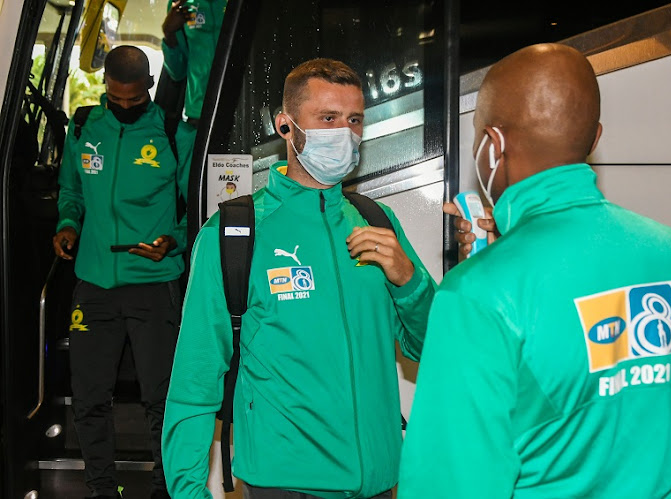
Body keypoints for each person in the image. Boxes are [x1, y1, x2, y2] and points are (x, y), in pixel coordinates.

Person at [398, 43, 671, 498]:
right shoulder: (669, 252)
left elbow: (448, 484)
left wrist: (492, 270)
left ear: (492, 146)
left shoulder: (478, 293)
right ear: (594, 138)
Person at [162, 58, 437, 498]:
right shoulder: (236, 234)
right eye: (327, 118)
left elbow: (433, 346)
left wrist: (410, 281)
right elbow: (195, 379)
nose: (344, 133)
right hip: (286, 485)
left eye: (354, 120)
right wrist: (188, 490)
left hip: (382, 482)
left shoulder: (375, 219)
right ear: (286, 126)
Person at [53, 45, 195, 499]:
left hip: (153, 284)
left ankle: (163, 489)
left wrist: (174, 239)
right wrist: (68, 225)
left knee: (160, 398)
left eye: (136, 99)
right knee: (91, 397)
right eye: (118, 98)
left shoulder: (174, 132)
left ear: (149, 89)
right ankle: (101, 489)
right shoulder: (84, 126)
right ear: (105, 88)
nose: (127, 107)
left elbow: (197, 210)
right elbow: (71, 189)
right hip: (94, 282)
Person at [161, 0, 227, 125]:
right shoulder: (181, 5)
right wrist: (169, 33)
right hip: (199, 111)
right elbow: (177, 73)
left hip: (242, 99)